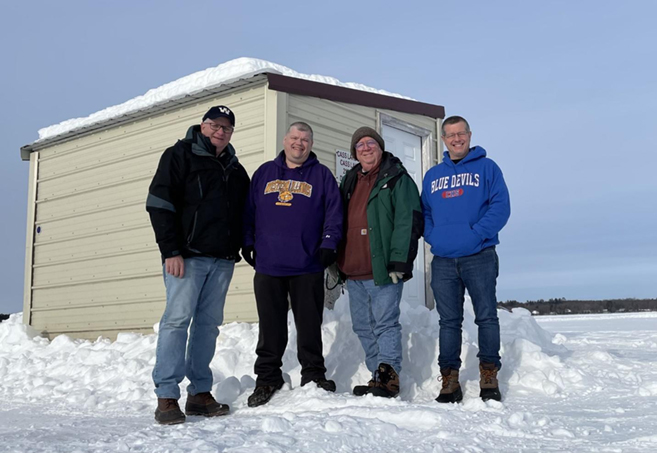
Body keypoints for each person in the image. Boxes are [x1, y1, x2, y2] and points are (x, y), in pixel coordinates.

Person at [146, 105, 250, 424]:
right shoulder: (178, 155)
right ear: (203, 126)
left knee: (208, 325)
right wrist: (171, 251)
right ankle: (166, 396)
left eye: (227, 128)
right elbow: (159, 203)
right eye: (215, 125)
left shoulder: (234, 169)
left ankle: (199, 394)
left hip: (222, 261)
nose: (221, 131)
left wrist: (247, 249)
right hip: (186, 258)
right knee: (177, 322)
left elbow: (247, 214)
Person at [242, 122, 343, 407]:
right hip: (268, 265)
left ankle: (313, 375)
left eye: (306, 139)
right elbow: (248, 211)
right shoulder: (264, 173)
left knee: (309, 325)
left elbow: (334, 213)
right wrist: (248, 241)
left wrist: (329, 243)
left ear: (311, 144)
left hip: (307, 264)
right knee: (270, 327)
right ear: (285, 140)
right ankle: (267, 377)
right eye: (295, 138)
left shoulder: (322, 175)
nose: (300, 143)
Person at [421, 115, 510, 403]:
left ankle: (488, 374)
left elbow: (500, 207)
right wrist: (434, 236)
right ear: (443, 139)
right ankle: (449, 380)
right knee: (448, 322)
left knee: (486, 316)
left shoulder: (487, 168)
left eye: (461, 133)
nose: (456, 139)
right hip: (444, 260)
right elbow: (425, 213)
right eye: (450, 135)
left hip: (480, 255)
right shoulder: (433, 175)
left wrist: (475, 235)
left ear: (469, 136)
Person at [337, 127, 423, 398]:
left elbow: (408, 219)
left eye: (370, 143)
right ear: (354, 152)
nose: (365, 148)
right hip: (353, 269)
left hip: (384, 268)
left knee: (385, 323)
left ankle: (389, 376)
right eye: (359, 144)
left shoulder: (396, 177)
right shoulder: (350, 179)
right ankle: (378, 375)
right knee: (362, 326)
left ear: (381, 147)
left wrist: (400, 259)